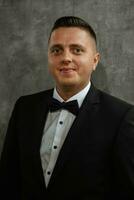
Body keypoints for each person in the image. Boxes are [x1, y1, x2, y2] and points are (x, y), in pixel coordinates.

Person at [0, 16, 134, 200]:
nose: (65, 58)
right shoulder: (24, 107)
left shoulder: (121, 116)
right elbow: (8, 181)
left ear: (95, 61)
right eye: (57, 50)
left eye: (77, 50)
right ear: (49, 57)